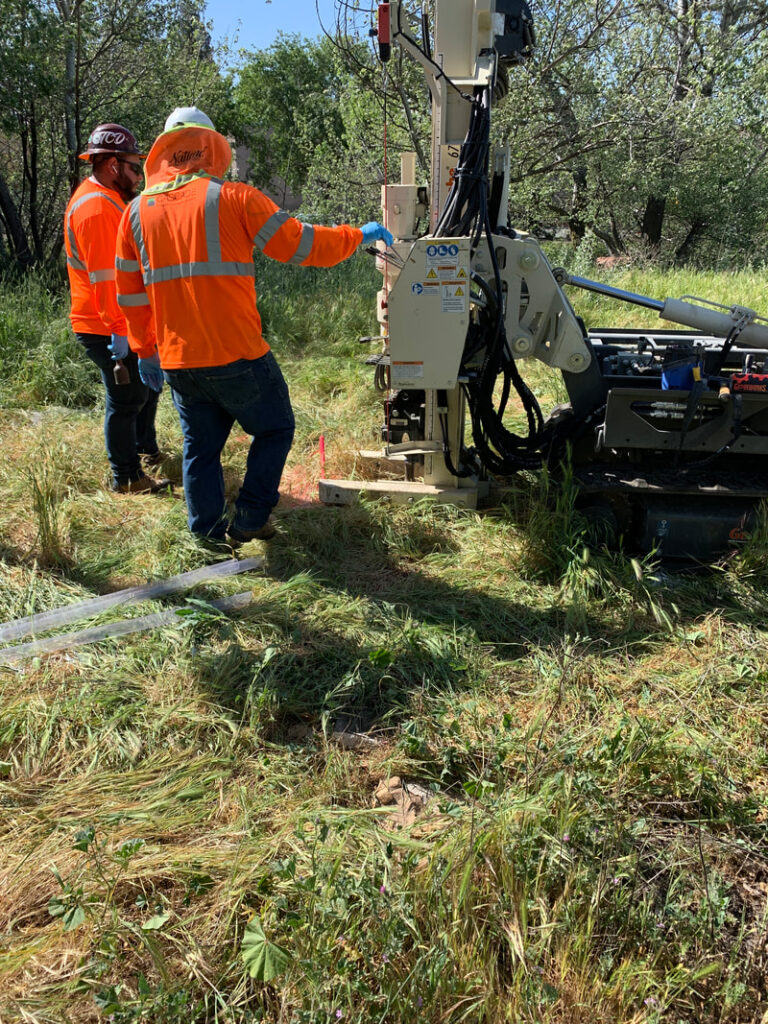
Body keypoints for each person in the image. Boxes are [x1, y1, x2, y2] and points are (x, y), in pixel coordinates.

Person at [115, 106, 392, 545]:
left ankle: (206, 535)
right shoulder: (234, 197)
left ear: (164, 152)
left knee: (200, 450)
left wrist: (144, 348)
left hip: (177, 359)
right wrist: (358, 235)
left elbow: (128, 294)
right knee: (276, 427)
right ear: (210, 147)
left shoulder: (134, 213)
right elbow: (302, 245)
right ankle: (249, 516)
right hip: (237, 353)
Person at [64, 122, 170, 494]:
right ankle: (126, 477)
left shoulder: (108, 199)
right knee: (126, 397)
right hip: (104, 324)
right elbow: (107, 280)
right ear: (111, 164)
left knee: (146, 388)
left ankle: (144, 449)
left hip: (120, 319)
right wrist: (121, 334)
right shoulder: (96, 208)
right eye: (132, 166)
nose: (138, 175)